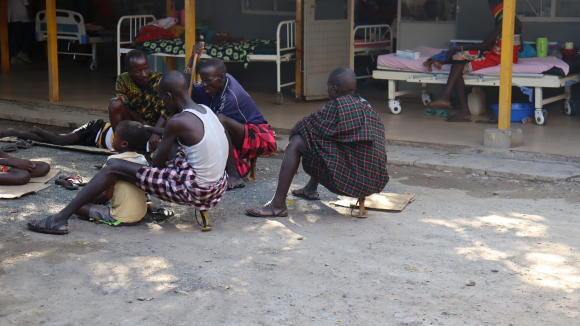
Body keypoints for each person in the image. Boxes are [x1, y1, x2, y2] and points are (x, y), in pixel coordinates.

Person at [27, 71, 229, 235]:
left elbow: (157, 165)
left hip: (195, 190)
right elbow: (177, 135)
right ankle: (135, 196)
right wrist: (150, 130)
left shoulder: (177, 122)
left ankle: (58, 219)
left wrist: (156, 145)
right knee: (173, 148)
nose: (162, 104)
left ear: (169, 97)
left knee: (115, 166)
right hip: (217, 187)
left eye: (162, 99)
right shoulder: (203, 110)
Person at [245, 68, 389, 218]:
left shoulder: (336, 107)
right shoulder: (368, 108)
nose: (327, 90)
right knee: (322, 141)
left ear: (334, 88)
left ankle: (278, 205)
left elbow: (302, 126)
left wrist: (291, 143)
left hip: (347, 182)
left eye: (328, 86)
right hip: (373, 181)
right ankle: (310, 188)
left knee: (298, 142)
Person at [185, 43, 277, 190]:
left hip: (261, 137)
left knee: (218, 121)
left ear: (221, 78)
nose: (204, 84)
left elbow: (214, 127)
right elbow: (185, 86)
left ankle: (234, 175)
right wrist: (191, 60)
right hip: (239, 132)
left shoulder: (231, 96)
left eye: (207, 81)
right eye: (202, 80)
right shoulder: (215, 82)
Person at [427, 0, 522, 122]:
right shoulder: (516, 20)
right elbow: (521, 46)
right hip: (502, 54)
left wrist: (458, 47)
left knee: (458, 63)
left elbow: (484, 45)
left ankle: (458, 106)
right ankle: (449, 100)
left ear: (493, 5)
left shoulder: (504, 21)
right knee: (459, 57)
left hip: (499, 57)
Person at [73, 120, 150, 226]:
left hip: (121, 217)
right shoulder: (142, 159)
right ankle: (147, 206)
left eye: (114, 138)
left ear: (124, 144)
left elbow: (107, 196)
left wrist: (89, 200)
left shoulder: (113, 161)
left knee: (77, 207)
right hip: (140, 213)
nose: (112, 140)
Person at [109, 50, 171, 151]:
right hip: (135, 123)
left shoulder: (158, 81)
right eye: (138, 71)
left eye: (146, 69)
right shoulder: (123, 80)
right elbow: (126, 107)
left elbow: (168, 109)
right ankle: (120, 146)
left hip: (156, 127)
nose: (144, 74)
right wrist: (141, 123)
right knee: (114, 104)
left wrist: (155, 132)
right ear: (129, 71)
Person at [1, 119, 114, 150]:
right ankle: (14, 132)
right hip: (95, 129)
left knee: (58, 140)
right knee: (61, 141)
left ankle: (23, 133)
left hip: (93, 141)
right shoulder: (129, 133)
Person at [7, 0, 36, 65]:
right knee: (32, 28)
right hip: (22, 10)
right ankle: (23, 51)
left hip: (12, 10)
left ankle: (13, 55)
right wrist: (30, 11)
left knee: (15, 32)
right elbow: (25, 2)